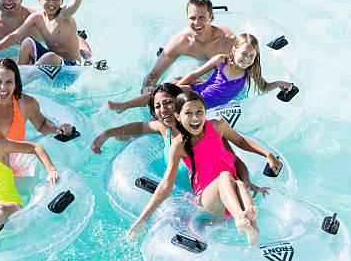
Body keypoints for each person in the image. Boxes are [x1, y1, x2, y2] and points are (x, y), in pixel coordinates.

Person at [127, 91, 282, 245]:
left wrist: (267, 154)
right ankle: (241, 218)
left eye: (199, 112)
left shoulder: (218, 125)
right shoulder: (179, 145)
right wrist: (143, 219)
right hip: (207, 201)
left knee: (240, 184)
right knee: (225, 176)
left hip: (230, 197)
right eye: (188, 113)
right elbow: (166, 185)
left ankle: (252, 230)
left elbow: (241, 141)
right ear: (178, 116)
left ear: (205, 112)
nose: (195, 118)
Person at [92, 83, 269, 198]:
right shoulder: (164, 127)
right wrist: (107, 133)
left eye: (168, 103)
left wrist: (245, 183)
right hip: (179, 193)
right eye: (158, 106)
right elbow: (141, 127)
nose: (163, 110)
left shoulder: (207, 130)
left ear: (180, 102)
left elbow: (234, 160)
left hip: (209, 196)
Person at [108, 33, 293, 112]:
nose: (247, 58)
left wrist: (277, 84)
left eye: (252, 56)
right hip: (196, 94)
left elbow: (263, 87)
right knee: (166, 93)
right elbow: (196, 74)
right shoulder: (221, 59)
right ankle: (124, 105)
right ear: (234, 50)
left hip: (204, 105)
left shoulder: (250, 72)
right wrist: (179, 85)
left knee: (171, 97)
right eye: (244, 53)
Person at [0, 0, 90, 66]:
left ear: (62, 0)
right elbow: (15, 35)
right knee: (27, 42)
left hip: (71, 67)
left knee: (50, 56)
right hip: (51, 63)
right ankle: (18, 76)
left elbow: (75, 4)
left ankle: (24, 81)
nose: (52, 3)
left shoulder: (64, 15)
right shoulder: (37, 18)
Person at [140, 0, 236, 95]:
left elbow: (229, 82)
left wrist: (190, 82)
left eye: (201, 17)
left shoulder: (226, 42)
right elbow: (154, 74)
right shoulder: (180, 41)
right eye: (192, 18)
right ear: (187, 19)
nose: (196, 22)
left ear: (211, 17)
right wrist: (146, 89)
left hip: (214, 77)